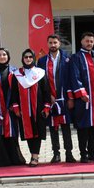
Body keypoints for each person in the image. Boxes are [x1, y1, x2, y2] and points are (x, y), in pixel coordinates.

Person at [37, 34, 75, 163]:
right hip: (51, 99)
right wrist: (48, 96)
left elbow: (71, 79)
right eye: (50, 43)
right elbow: (41, 81)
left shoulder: (67, 59)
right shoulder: (42, 61)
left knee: (66, 127)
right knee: (53, 128)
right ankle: (56, 154)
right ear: (47, 44)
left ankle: (69, 153)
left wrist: (70, 98)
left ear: (59, 43)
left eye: (55, 42)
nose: (53, 45)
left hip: (64, 98)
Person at [0, 48, 24, 166]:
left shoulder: (14, 71)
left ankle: (13, 159)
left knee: (11, 131)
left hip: (10, 107)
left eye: (4, 54)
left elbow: (18, 90)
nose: (2, 57)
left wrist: (15, 104)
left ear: (8, 56)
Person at [69, 32, 94, 163]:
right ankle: (83, 154)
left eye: (91, 41)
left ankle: (92, 152)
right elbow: (74, 76)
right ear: (81, 42)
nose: (89, 43)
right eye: (87, 41)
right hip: (83, 98)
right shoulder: (76, 58)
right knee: (83, 126)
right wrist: (82, 93)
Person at [11, 49, 48, 166]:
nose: (28, 59)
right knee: (28, 133)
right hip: (24, 110)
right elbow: (14, 93)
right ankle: (32, 154)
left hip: (38, 108)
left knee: (37, 132)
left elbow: (46, 91)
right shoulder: (17, 74)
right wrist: (16, 108)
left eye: (30, 57)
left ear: (33, 58)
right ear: (22, 59)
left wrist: (46, 107)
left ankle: (35, 156)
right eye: (26, 57)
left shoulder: (40, 73)